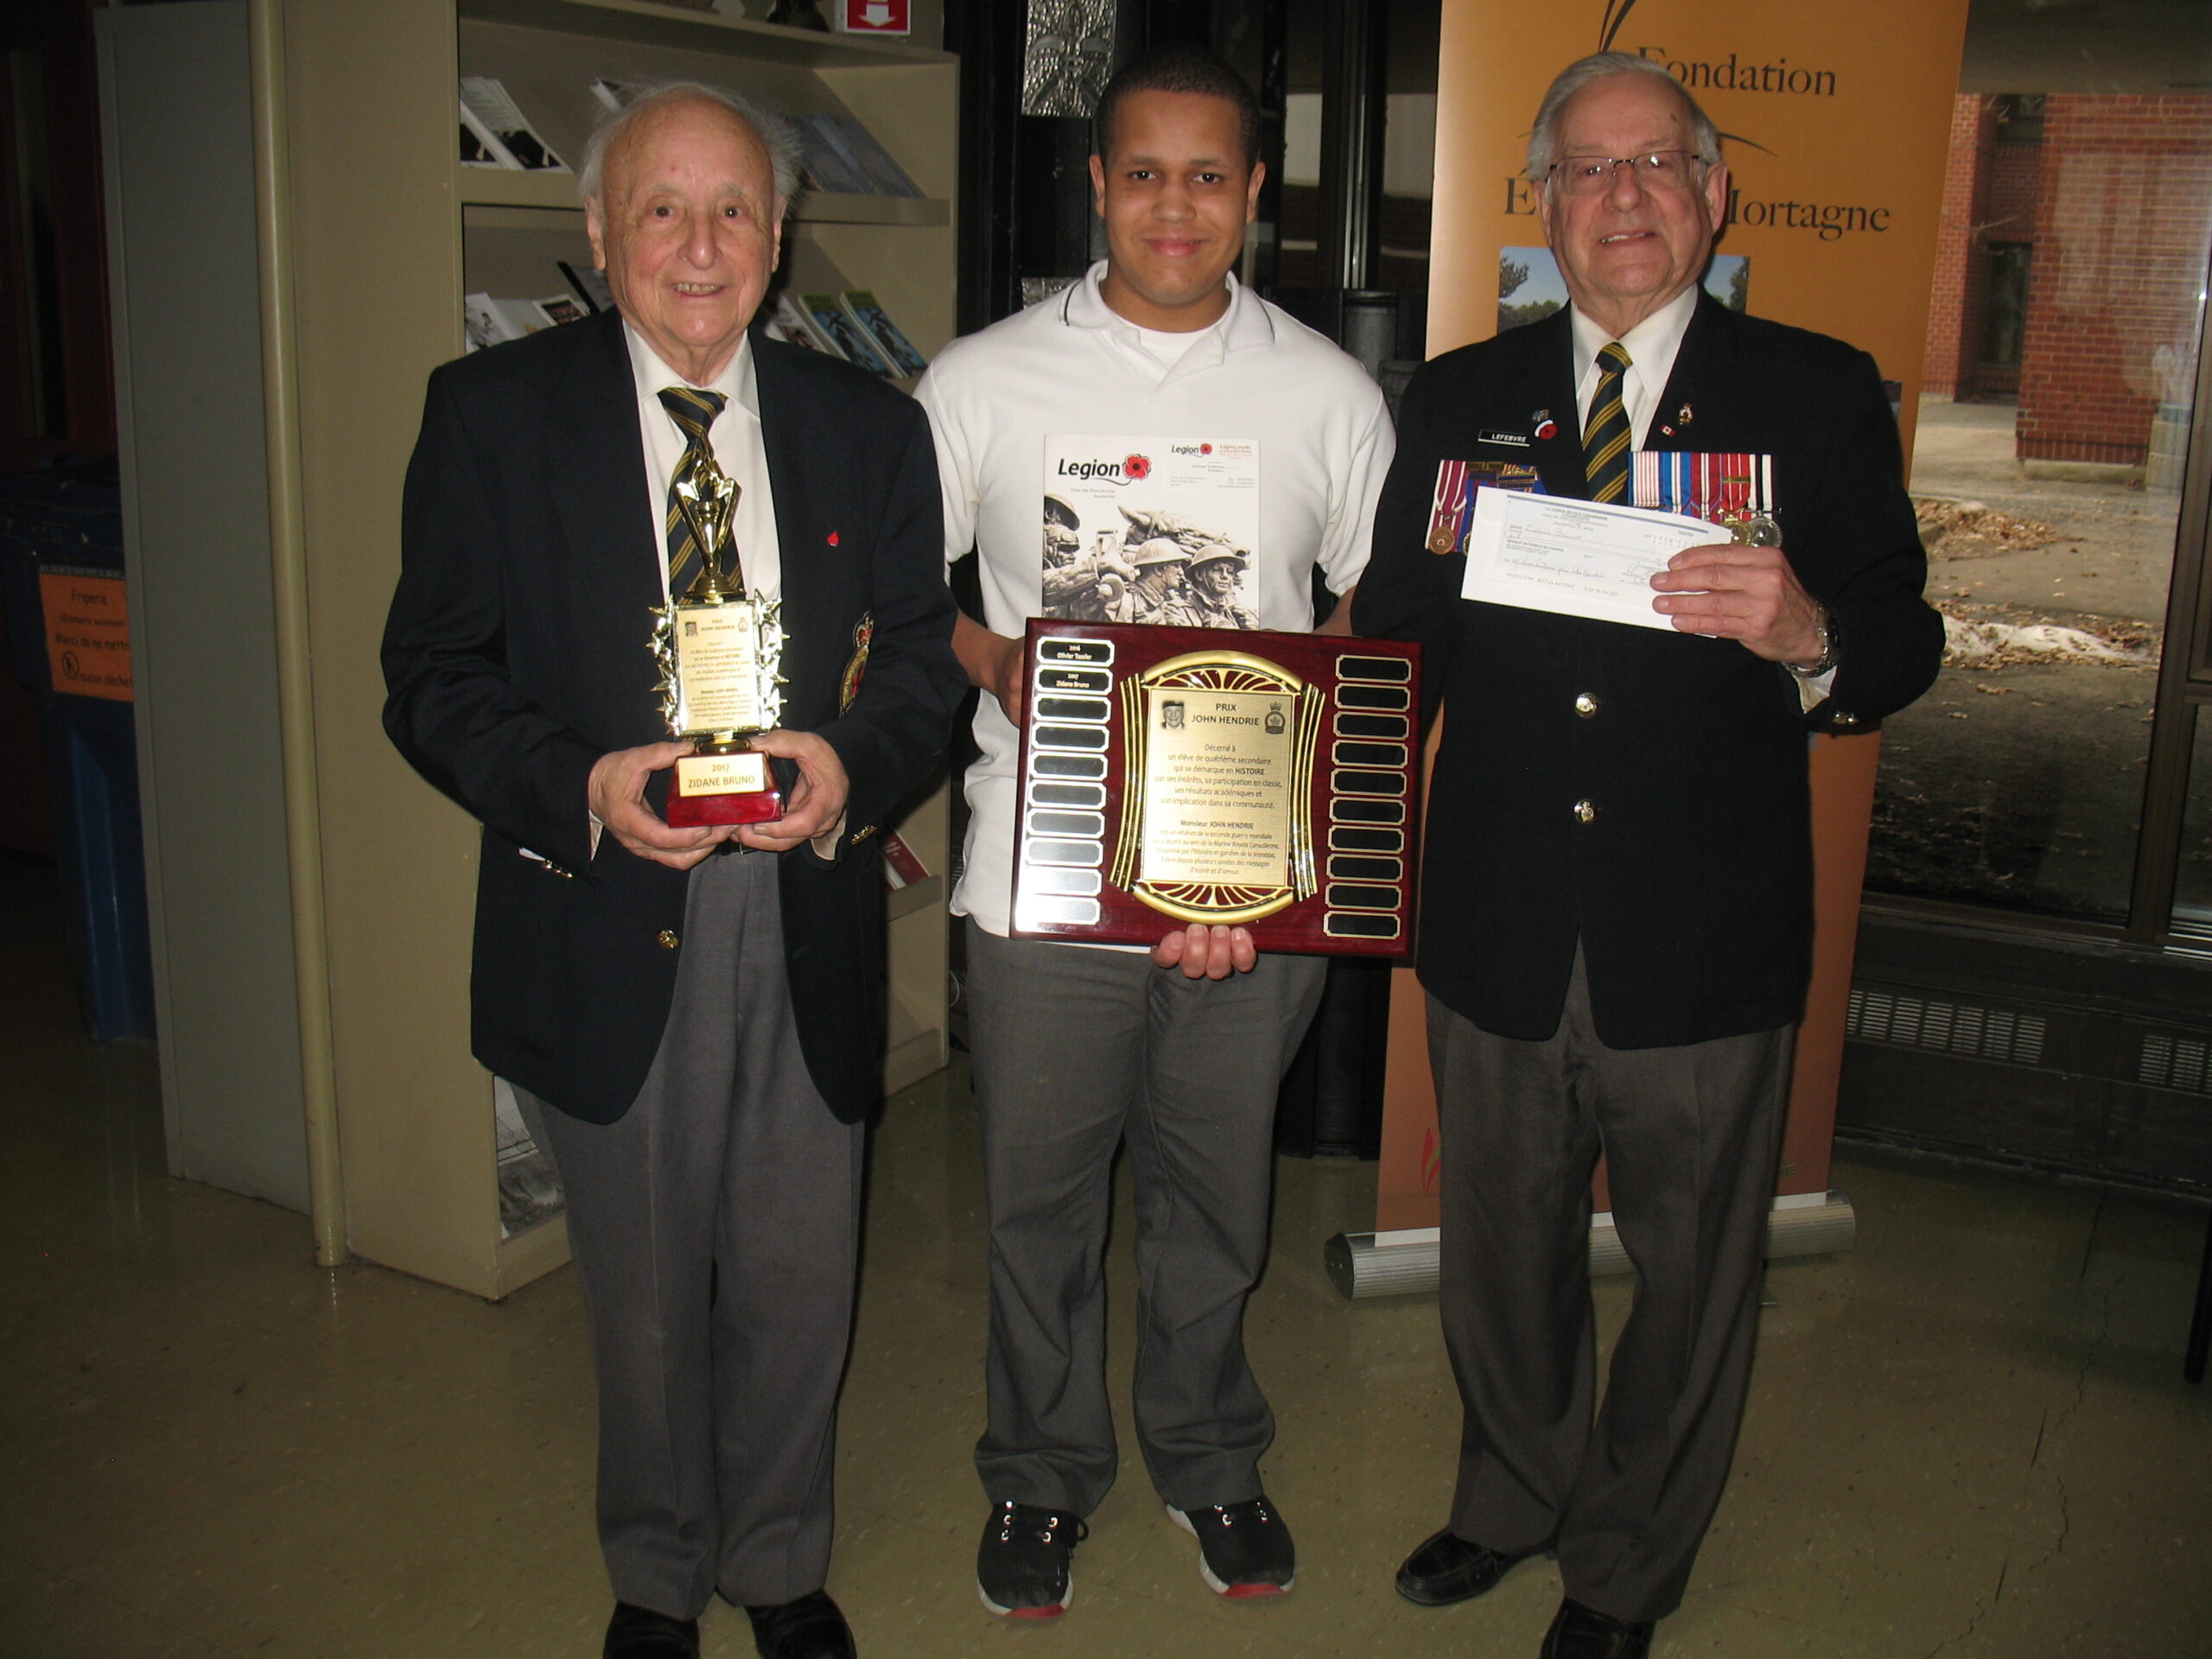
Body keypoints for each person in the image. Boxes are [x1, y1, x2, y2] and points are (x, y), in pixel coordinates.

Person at [1353, 52, 1943, 1659]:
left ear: (1715, 192)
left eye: (1659, 164)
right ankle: (1512, 1494)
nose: (1625, 197)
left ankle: (1625, 1564)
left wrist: (1812, 630)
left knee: (1691, 1279)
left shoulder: (1815, 393)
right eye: (1590, 171)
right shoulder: (1460, 398)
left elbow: (1904, 638)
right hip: (1496, 919)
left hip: (1706, 931)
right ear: (1543, 203)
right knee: (1500, 1255)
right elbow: (1395, 645)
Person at [381, 82, 963, 1659]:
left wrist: (855, 764)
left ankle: (780, 1562)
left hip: (805, 895)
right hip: (602, 901)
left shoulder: (869, 428)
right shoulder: (490, 417)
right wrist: (576, 784)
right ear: (598, 232)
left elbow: (920, 665)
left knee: (797, 1275)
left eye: (731, 213)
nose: (697, 247)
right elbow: (429, 678)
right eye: (659, 208)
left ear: (780, 242)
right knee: (637, 1300)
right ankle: (655, 1572)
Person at [914, 41, 1393, 1624]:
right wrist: (994, 658)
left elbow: (1362, 633)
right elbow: (906, 609)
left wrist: (1266, 869)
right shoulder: (979, 382)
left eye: (1208, 175)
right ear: (1094, 182)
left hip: (1255, 895)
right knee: (1038, 1204)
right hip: (1038, 871)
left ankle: (1207, 1455)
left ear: (1255, 193)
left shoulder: (1330, 395)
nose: (1172, 207)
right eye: (1142, 172)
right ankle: (1040, 1480)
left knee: (1217, 1203)